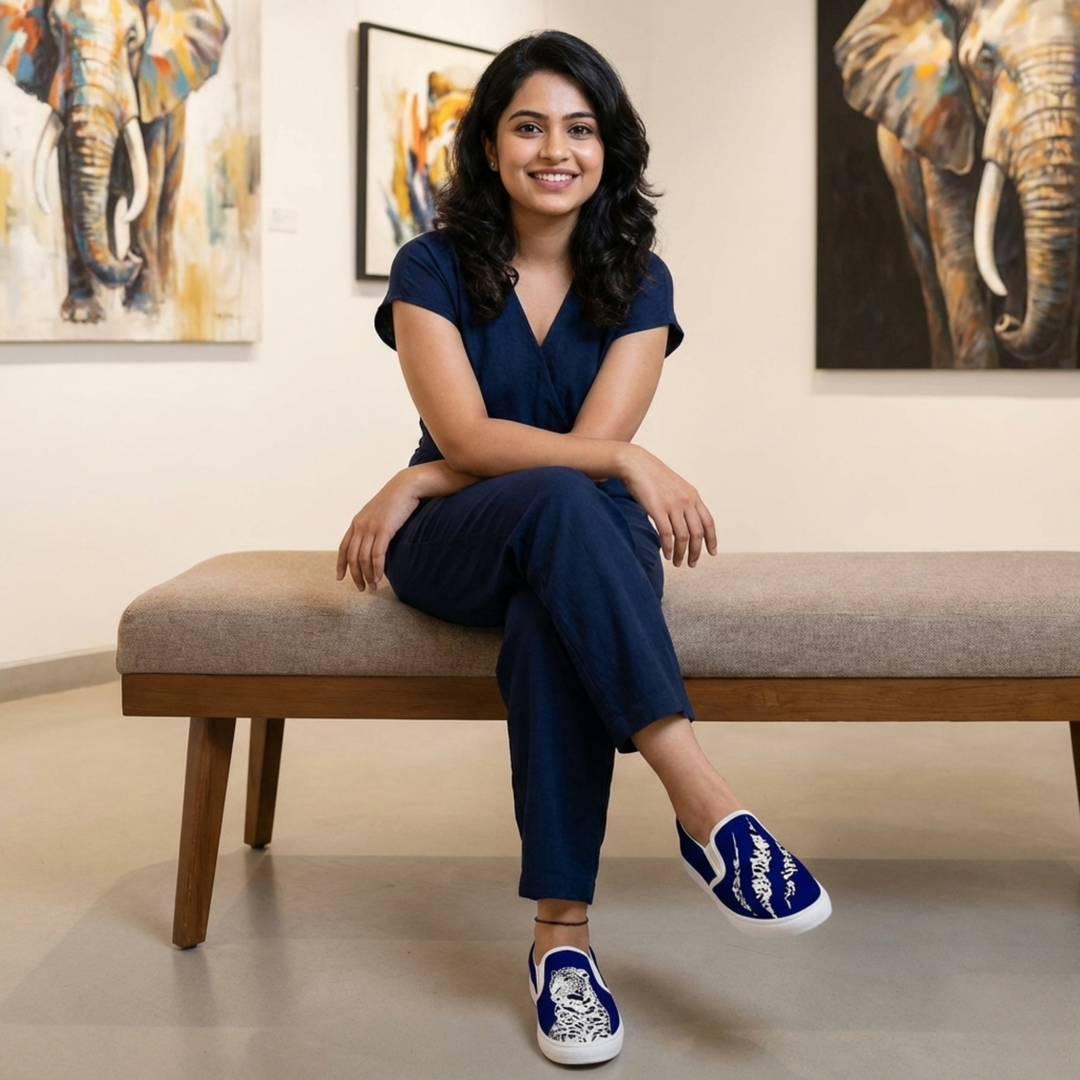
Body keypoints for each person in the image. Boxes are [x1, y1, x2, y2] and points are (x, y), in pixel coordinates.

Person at [337, 29, 831, 1066]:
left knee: (547, 613)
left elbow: (566, 454)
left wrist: (425, 469)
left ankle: (562, 945)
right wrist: (599, 465)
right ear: (488, 146)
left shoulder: (639, 278)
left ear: (609, 148)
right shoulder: (431, 265)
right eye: (527, 126)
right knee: (568, 497)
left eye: (578, 127)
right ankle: (707, 804)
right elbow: (517, 443)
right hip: (460, 543)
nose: (553, 149)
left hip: (564, 536)